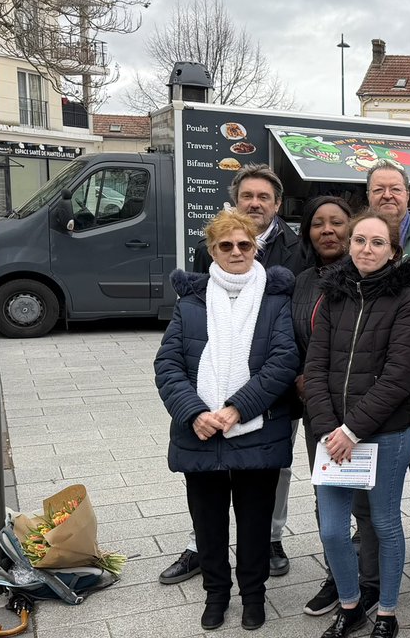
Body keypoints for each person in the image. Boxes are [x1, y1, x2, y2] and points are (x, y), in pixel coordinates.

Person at [161, 164, 308, 586]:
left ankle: (271, 540)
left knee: (271, 472)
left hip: (272, 390)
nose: (256, 203)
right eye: (249, 196)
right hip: (207, 400)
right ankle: (201, 548)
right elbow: (187, 330)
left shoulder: (297, 248)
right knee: (206, 483)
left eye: (264, 197)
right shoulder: (211, 245)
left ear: (277, 204)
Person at [305, 210, 410, 638]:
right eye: (360, 240)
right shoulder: (333, 296)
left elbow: (399, 376)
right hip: (333, 436)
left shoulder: (408, 301)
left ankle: (388, 613)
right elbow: (315, 367)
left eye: (378, 242)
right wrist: (328, 430)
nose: (367, 249)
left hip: (386, 435)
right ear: (350, 244)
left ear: (394, 250)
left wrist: (352, 431)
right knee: (333, 529)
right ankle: (351, 604)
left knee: (384, 523)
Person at [289, 197, 383, 618]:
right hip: (318, 407)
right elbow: (289, 334)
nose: (327, 230)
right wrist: (299, 375)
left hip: (364, 408)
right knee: (328, 496)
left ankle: (370, 580)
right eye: (317, 224)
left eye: (337, 223)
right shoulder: (303, 280)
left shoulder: (368, 278)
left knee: (365, 501)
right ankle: (339, 575)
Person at [366, 164, 410, 562]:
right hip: (371, 364)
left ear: (409, 195)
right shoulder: (359, 234)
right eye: (379, 189)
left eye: (395, 188)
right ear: (369, 195)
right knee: (373, 447)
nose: (388, 195)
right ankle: (370, 526)